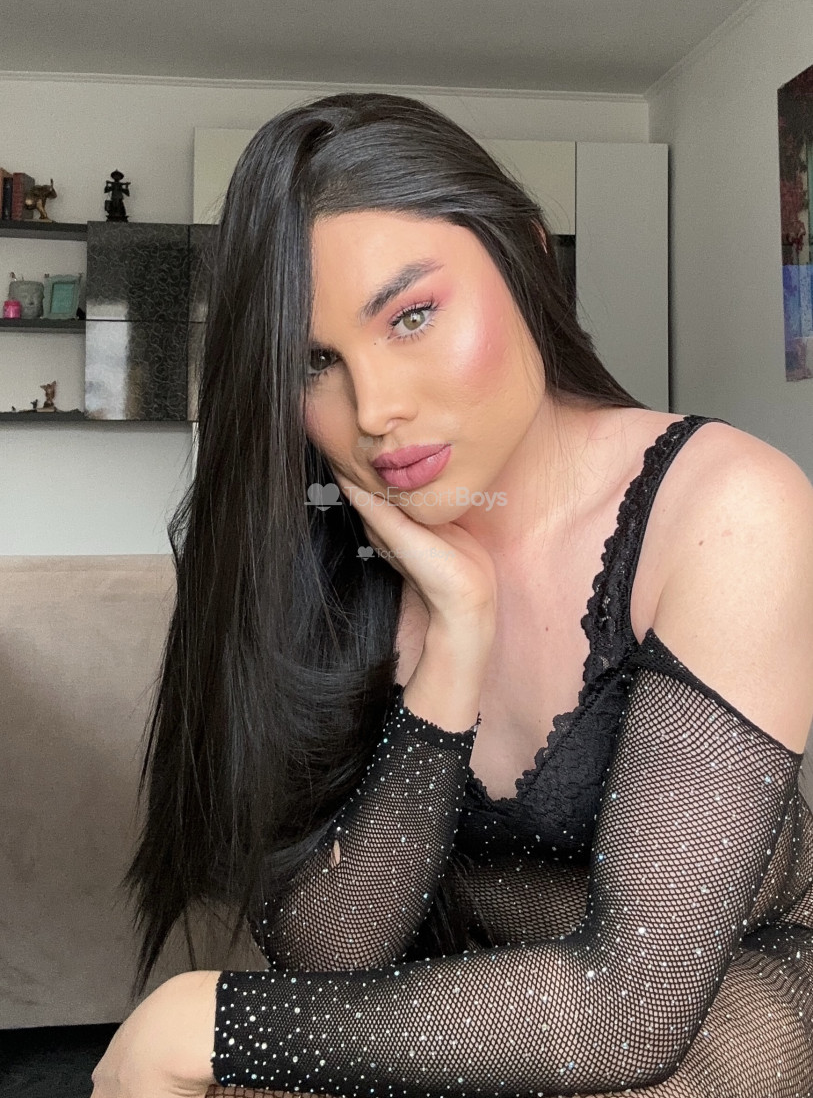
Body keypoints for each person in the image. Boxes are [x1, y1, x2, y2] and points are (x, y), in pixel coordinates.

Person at [91, 92, 813, 1098]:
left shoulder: (727, 507)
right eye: (315, 362)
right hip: (475, 986)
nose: (376, 410)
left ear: (526, 261)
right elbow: (330, 954)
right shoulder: (330, 545)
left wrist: (205, 1018)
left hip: (717, 996)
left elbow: (633, 1008)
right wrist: (453, 649)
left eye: (413, 316)